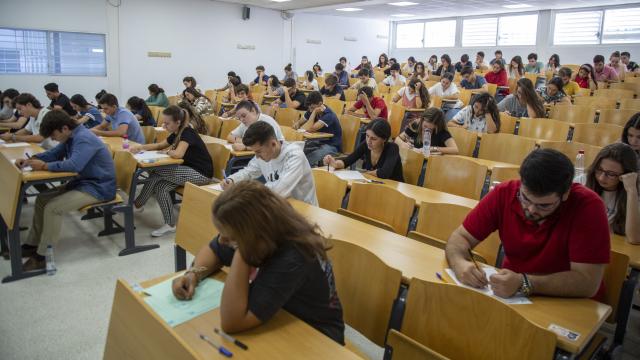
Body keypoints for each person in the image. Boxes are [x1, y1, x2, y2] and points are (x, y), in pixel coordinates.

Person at [170, 181, 344, 343]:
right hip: (281, 316)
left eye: (230, 237)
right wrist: (193, 274)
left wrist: (242, 249)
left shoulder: (294, 256)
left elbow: (232, 322)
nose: (222, 240)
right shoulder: (265, 230)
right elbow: (214, 250)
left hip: (317, 337)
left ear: (252, 234)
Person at [445, 149, 610, 299]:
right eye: (524, 198)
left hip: (569, 301)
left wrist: (525, 282)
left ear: (565, 194)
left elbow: (587, 283)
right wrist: (459, 263)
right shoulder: (505, 192)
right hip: (512, 294)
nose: (530, 209)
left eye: (544, 205)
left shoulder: (588, 206)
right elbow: (461, 237)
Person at [14, 110, 116, 271]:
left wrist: (45, 166)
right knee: (42, 199)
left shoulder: (83, 138)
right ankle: (31, 244)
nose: (53, 139)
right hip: (83, 183)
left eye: (53, 135)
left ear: (64, 128)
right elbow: (54, 153)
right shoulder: (71, 136)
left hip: (99, 187)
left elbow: (75, 165)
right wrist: (30, 160)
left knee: (53, 208)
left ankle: (42, 256)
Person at [131, 106, 213, 236]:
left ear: (178, 122)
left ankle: (138, 204)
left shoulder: (187, 132)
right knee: (160, 187)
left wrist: (168, 152)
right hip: (185, 171)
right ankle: (169, 224)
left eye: (167, 123)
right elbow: (159, 145)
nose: (164, 126)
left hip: (200, 174)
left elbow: (178, 154)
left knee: (155, 170)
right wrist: (141, 147)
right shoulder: (176, 133)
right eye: (163, 122)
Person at [222, 121, 318, 205]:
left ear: (273, 144)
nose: (257, 156)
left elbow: (280, 190)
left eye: (258, 151)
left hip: (303, 210)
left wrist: (247, 192)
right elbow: (248, 172)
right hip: (278, 207)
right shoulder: (263, 155)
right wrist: (232, 180)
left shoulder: (294, 156)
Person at [585, 143, 639, 245]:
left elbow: (634, 238)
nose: (601, 178)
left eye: (611, 174)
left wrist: (631, 190)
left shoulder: (633, 194)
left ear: (626, 174)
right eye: (599, 169)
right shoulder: (582, 181)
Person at [324, 119, 403, 181]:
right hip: (375, 184)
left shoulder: (392, 148)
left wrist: (364, 174)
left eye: (374, 139)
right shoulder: (366, 144)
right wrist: (335, 163)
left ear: (384, 139)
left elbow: (384, 173)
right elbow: (347, 161)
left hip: (394, 189)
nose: (369, 141)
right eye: (367, 136)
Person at [293, 91, 343, 166]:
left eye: (312, 108)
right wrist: (296, 125)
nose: (310, 110)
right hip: (318, 142)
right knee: (299, 149)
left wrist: (314, 112)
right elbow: (299, 123)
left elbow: (310, 129)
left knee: (311, 157)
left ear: (320, 104)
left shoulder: (329, 115)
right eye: (309, 108)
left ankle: (301, 169)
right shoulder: (312, 109)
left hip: (332, 146)